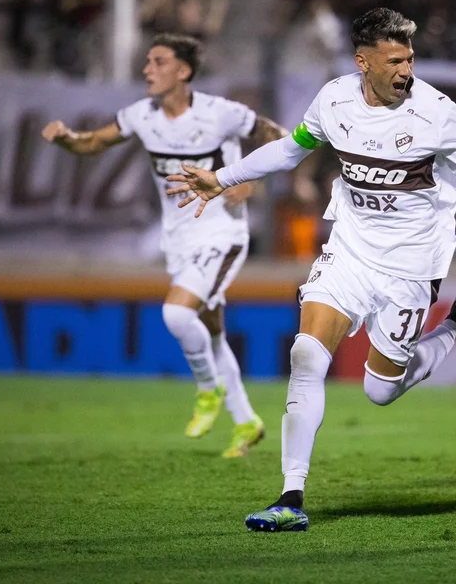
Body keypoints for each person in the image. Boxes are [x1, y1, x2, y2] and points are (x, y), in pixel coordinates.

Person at [166, 8, 456, 532]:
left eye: (410, 59)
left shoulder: (436, 113)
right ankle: (290, 498)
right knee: (306, 356)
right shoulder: (334, 100)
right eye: (394, 60)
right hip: (349, 252)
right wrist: (222, 177)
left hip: (412, 265)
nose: (405, 70)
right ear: (363, 62)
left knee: (380, 390)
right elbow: (290, 150)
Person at [41, 33, 282, 458]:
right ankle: (246, 422)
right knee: (211, 332)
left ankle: (207, 389)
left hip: (221, 234)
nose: (147, 69)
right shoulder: (142, 115)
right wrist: (64, 137)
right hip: (179, 239)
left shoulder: (220, 113)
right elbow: (93, 142)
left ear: (183, 71)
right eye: (147, 61)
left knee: (176, 313)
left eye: (158, 62)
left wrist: (251, 180)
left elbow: (277, 135)